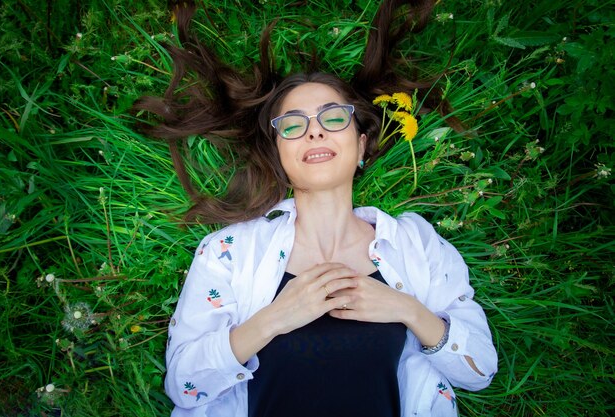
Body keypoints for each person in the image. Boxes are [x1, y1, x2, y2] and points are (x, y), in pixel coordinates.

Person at [134, 1, 497, 416]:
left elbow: (480, 371)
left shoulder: (414, 243)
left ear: (361, 144)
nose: (315, 130)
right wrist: (274, 319)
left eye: (333, 117)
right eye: (293, 125)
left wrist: (407, 310)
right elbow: (184, 387)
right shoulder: (228, 253)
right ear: (279, 155)